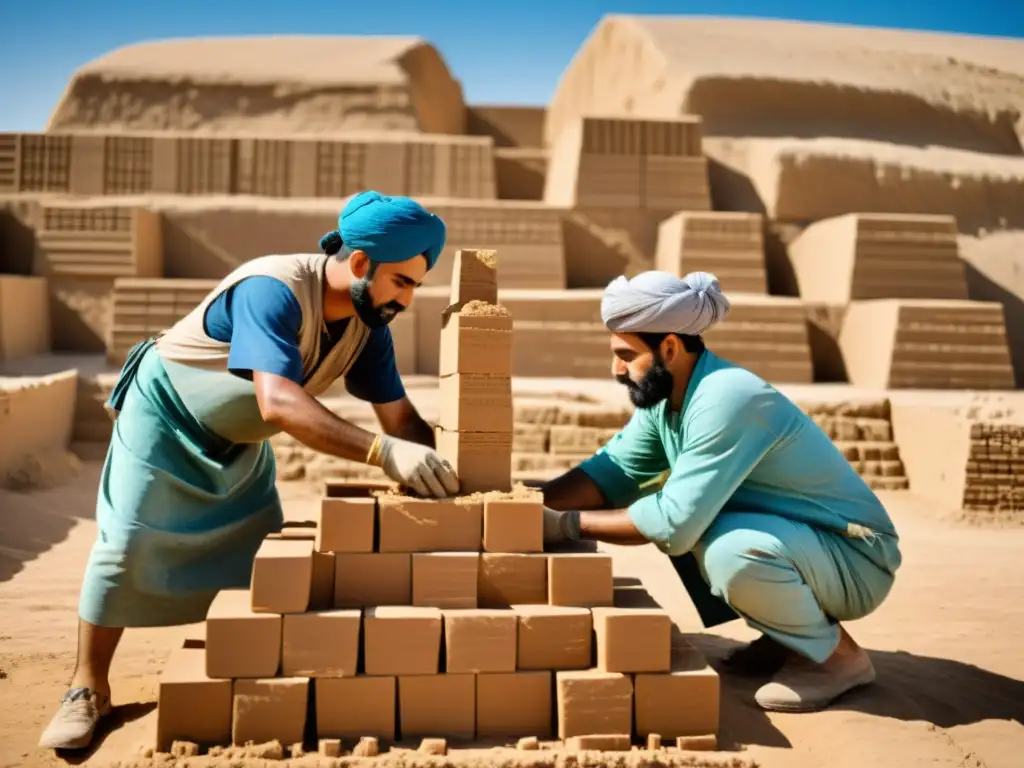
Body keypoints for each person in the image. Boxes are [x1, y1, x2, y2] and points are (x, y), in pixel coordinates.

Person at [39, 191, 460, 751]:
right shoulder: (273, 289)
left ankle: (250, 669)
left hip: (238, 441)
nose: (405, 299)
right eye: (401, 283)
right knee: (128, 545)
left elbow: (400, 417)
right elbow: (279, 404)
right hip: (165, 418)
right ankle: (87, 688)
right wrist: (384, 454)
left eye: (414, 287)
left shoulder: (367, 328)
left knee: (261, 558)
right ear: (361, 264)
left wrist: (455, 478)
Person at [539, 270, 901, 712]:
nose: (615, 369)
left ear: (668, 347)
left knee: (721, 546)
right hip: (806, 547)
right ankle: (788, 637)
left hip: (855, 559)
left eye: (626, 355)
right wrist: (521, 503)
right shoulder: (668, 399)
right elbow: (608, 474)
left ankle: (837, 659)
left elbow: (674, 522)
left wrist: (564, 525)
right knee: (706, 527)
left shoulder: (727, 397)